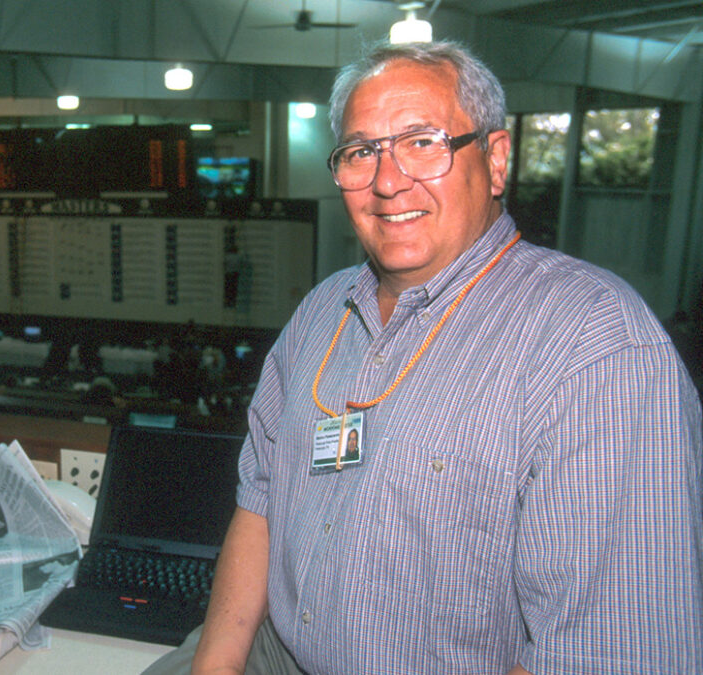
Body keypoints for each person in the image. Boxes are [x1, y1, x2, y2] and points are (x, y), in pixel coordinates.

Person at [145, 40, 702, 674]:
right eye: (361, 152)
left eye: (422, 143)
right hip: (276, 651)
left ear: (495, 161)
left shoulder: (596, 349)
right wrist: (213, 668)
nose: (387, 181)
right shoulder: (322, 313)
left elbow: (606, 652)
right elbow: (261, 500)